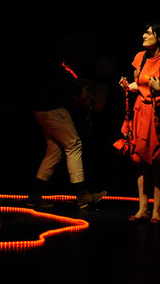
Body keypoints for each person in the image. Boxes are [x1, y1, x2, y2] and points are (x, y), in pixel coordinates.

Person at [26, 39, 107, 209]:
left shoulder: (45, 61)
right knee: (74, 144)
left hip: (41, 109)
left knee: (54, 150)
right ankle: (82, 195)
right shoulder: (56, 64)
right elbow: (67, 85)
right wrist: (82, 92)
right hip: (52, 108)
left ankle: (34, 195)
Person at [117, 23, 160, 223]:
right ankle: (142, 209)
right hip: (140, 113)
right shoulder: (140, 57)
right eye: (144, 32)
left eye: (149, 33)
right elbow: (140, 85)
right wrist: (128, 86)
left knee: (158, 162)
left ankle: (156, 211)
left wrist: (159, 89)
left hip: (158, 115)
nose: (144, 36)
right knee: (140, 161)